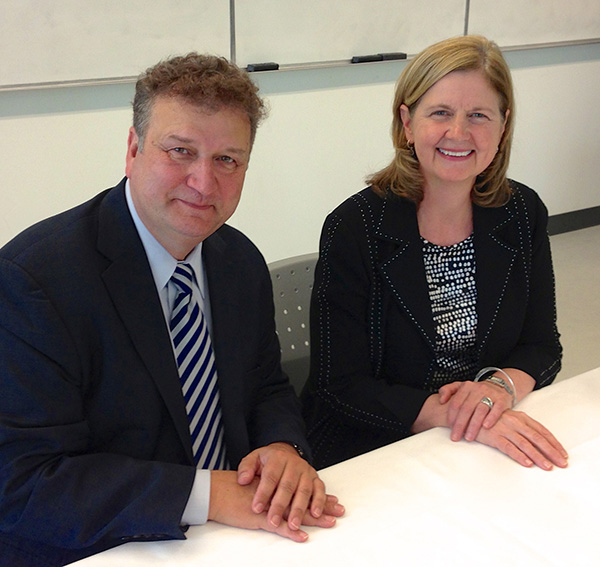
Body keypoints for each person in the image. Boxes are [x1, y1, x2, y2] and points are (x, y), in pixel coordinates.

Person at [0, 53, 343, 567]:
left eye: (228, 159)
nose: (204, 183)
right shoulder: (34, 282)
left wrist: (282, 449)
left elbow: (266, 386)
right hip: (103, 548)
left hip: (239, 539)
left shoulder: (239, 261)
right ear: (133, 149)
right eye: (181, 151)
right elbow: (24, 482)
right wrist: (205, 494)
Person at [302, 35, 569, 472]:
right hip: (375, 445)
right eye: (440, 113)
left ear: (503, 126)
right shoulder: (355, 226)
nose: (458, 133)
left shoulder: (522, 212)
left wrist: (497, 391)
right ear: (407, 123)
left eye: (478, 116)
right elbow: (340, 387)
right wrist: (462, 416)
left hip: (480, 439)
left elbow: (541, 346)